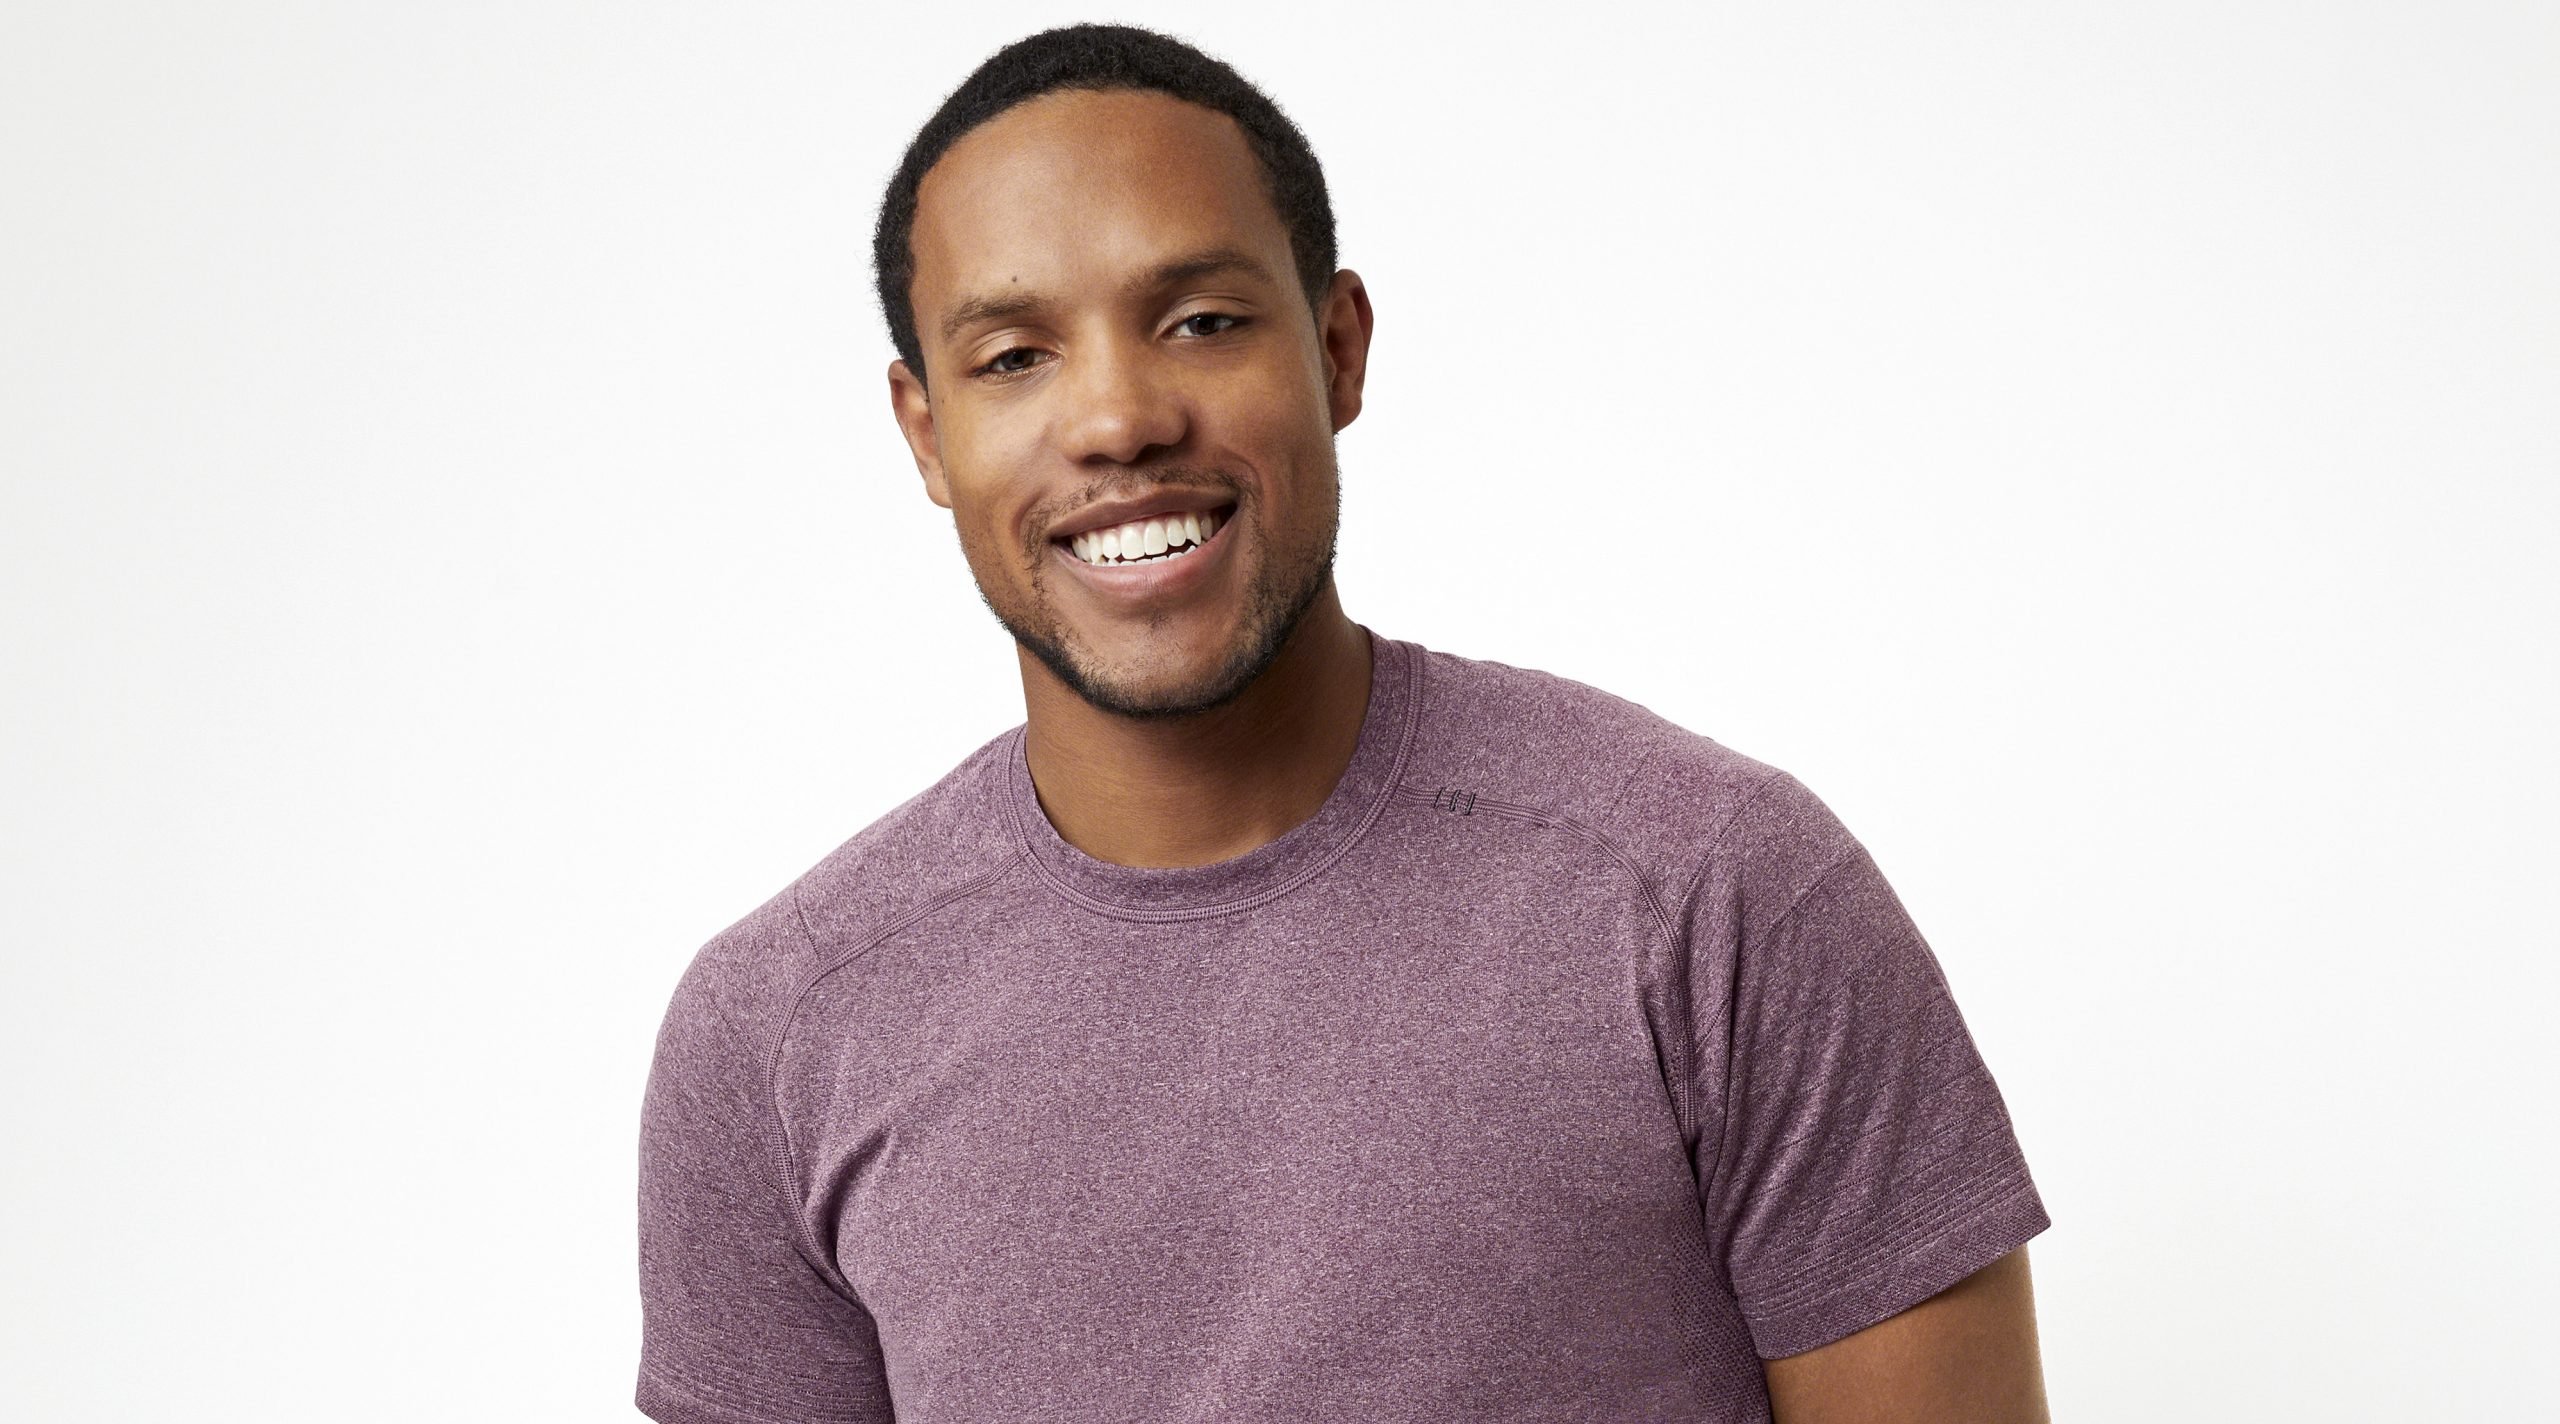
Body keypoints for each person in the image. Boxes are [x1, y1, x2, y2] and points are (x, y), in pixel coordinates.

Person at [637, 22, 2052, 1423]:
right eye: (1013, 355)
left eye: (1201, 321)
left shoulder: (1716, 895)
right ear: (926, 433)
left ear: (1338, 348)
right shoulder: (773, 1035)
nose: (1118, 418)